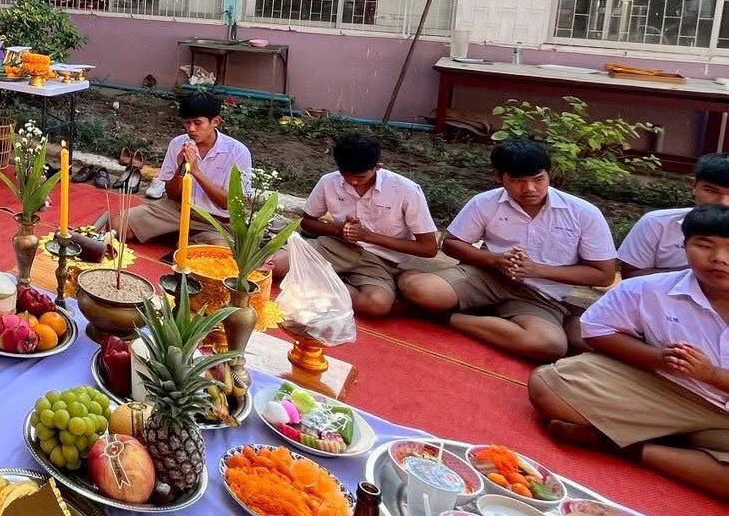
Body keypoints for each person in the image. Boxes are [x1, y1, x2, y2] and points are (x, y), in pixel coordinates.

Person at [529, 204, 729, 497]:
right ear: (684, 245)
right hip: (662, 389)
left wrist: (710, 374)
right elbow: (596, 330)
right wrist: (659, 358)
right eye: (705, 245)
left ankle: (630, 447)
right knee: (550, 386)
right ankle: (687, 449)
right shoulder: (649, 289)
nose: (719, 258)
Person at [398, 139, 617, 362]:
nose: (530, 189)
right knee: (423, 289)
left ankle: (445, 317)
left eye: (538, 179)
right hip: (486, 277)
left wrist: (536, 270)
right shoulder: (485, 202)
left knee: (549, 345)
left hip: (540, 295)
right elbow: (451, 243)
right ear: (498, 176)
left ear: (549, 174)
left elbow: (604, 274)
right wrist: (494, 260)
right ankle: (417, 282)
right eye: (517, 181)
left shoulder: (583, 213)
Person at [285, 132, 440, 317]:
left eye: (360, 176)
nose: (352, 181)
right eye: (346, 175)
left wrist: (367, 236)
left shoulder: (406, 190)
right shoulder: (329, 181)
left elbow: (429, 248)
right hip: (334, 247)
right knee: (276, 263)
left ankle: (320, 281)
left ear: (378, 167)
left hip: (379, 260)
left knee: (376, 305)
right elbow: (307, 222)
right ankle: (331, 282)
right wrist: (340, 230)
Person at [104, 93, 249, 247]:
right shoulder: (177, 144)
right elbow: (172, 195)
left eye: (197, 123)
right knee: (117, 224)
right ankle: (182, 239)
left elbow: (229, 204)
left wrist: (196, 172)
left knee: (219, 252)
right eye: (187, 123)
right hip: (178, 210)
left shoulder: (237, 152)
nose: (191, 129)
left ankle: (184, 239)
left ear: (215, 122)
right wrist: (180, 168)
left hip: (215, 221)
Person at [621, 153, 729, 277]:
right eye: (711, 191)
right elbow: (630, 275)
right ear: (694, 186)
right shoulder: (657, 223)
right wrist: (698, 269)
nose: (723, 202)